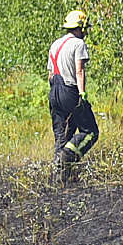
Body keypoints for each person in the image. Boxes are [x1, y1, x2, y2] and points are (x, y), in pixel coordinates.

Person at [47, 9, 99, 176]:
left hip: (54, 92)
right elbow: (79, 71)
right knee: (90, 132)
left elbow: (50, 74)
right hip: (69, 91)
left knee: (63, 136)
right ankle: (67, 157)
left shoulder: (54, 45)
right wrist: (82, 95)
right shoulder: (78, 44)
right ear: (81, 27)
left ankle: (59, 177)